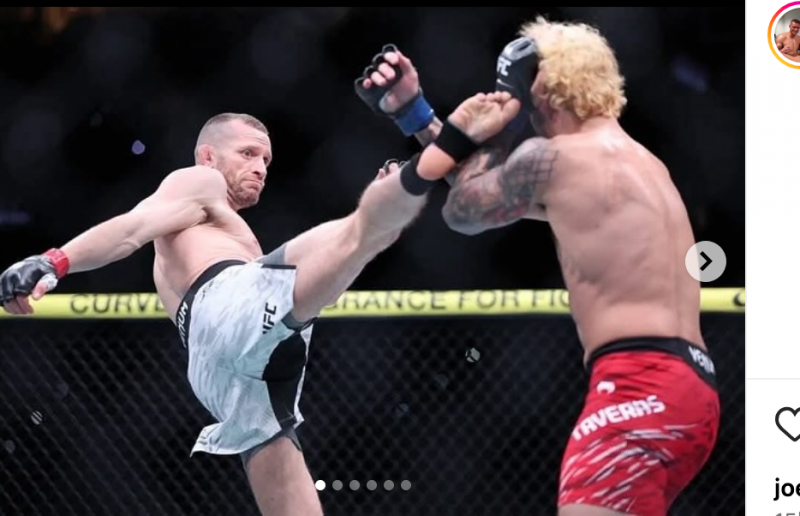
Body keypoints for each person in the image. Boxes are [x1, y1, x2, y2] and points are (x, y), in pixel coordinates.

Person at [0, 99, 518, 514]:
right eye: (247, 153)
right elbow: (132, 228)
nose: (260, 168)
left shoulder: (222, 227)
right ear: (208, 156)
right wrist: (55, 260)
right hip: (227, 305)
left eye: (266, 160)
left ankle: (387, 202)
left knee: (360, 239)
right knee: (358, 233)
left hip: (219, 371)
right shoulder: (198, 182)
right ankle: (428, 161)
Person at [356, 16, 720, 516]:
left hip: (637, 382)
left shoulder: (556, 157)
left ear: (544, 88)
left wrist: (475, 132)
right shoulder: (642, 164)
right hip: (692, 390)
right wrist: (417, 115)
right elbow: (486, 195)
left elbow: (462, 214)